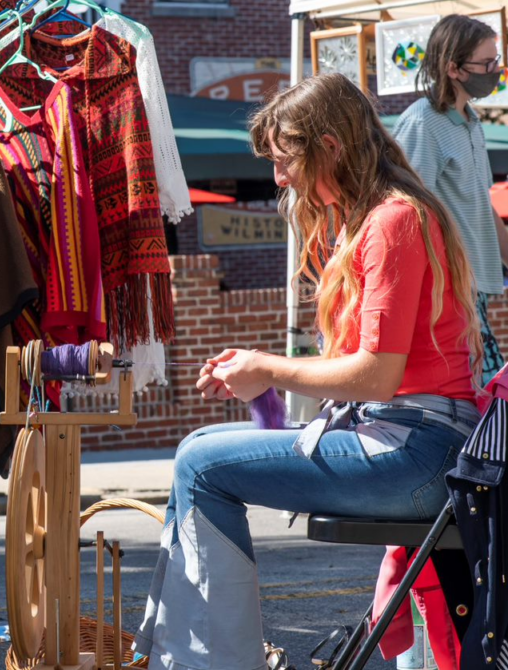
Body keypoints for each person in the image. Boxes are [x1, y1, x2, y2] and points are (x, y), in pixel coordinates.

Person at [135, 73, 483, 670]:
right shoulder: (374, 219)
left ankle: (210, 660)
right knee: (199, 446)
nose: (277, 177)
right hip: (412, 440)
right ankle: (201, 654)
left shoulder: (393, 221)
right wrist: (260, 369)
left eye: (283, 160)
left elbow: (376, 376)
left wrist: (267, 368)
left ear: (330, 145)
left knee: (199, 463)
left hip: (422, 452)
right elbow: (366, 370)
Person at [393, 14, 508, 384]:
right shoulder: (422, 123)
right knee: (486, 395)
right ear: (453, 68)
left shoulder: (472, 121)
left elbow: (483, 205)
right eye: (487, 63)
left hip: (472, 285)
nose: (495, 70)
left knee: (483, 393)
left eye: (497, 60)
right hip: (447, 290)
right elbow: (404, 210)